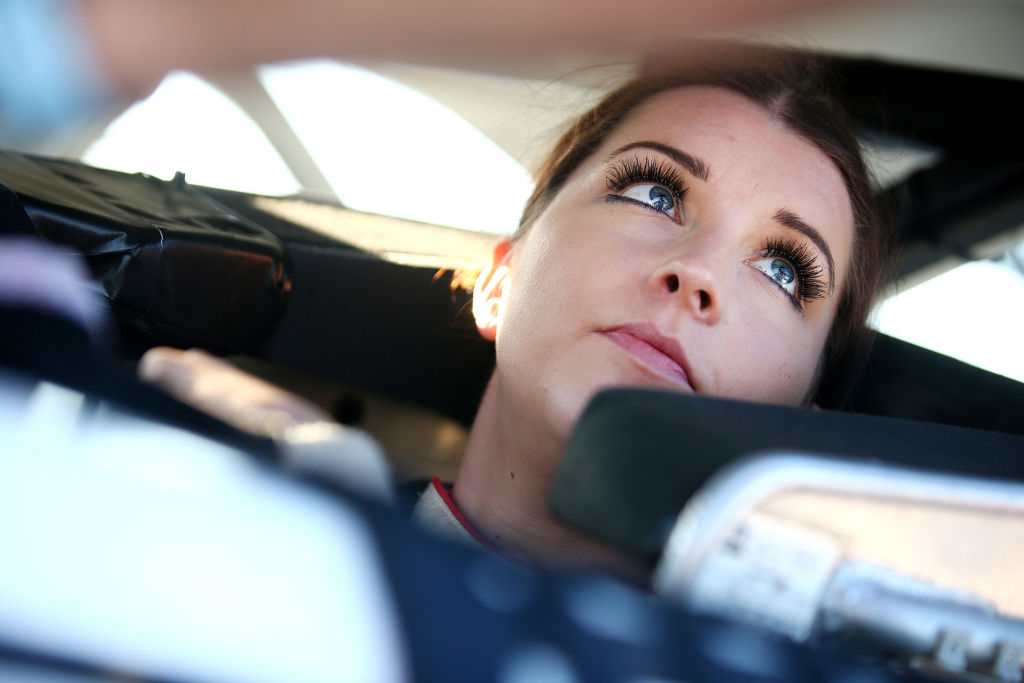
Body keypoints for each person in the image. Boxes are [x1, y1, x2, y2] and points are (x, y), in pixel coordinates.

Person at [141, 51, 889, 583]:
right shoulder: (224, 536)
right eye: (656, 193)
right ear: (500, 281)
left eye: (784, 269)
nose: (698, 271)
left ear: (807, 421)